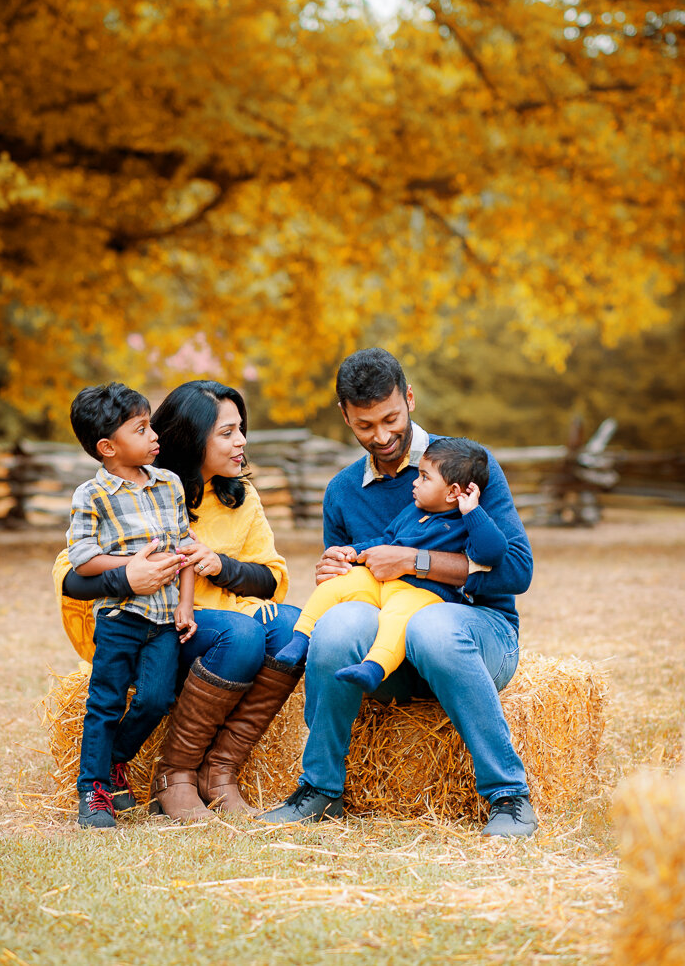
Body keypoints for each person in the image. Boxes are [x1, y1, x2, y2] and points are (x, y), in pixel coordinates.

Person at [262, 348, 537, 838]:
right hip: (385, 659)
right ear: (345, 416)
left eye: (391, 418)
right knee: (338, 623)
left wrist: (415, 561)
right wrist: (336, 566)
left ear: (409, 399)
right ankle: (320, 789)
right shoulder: (342, 491)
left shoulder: (465, 465)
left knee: (431, 626)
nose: (382, 436)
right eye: (365, 425)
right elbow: (357, 586)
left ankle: (508, 795)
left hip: (473, 638)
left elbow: (515, 569)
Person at [53, 380, 302, 822]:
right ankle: (174, 773)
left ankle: (219, 770)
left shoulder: (234, 496)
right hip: (147, 622)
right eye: (226, 433)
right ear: (191, 437)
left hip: (195, 621)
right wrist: (128, 574)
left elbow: (271, 578)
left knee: (294, 628)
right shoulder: (134, 488)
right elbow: (71, 575)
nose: (241, 441)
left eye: (240, 429)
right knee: (241, 635)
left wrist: (218, 564)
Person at [275, 438, 509, 692]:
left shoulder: (465, 525)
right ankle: (301, 639)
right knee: (341, 583)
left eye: (424, 477)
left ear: (452, 492)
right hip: (384, 583)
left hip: (423, 595)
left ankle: (374, 667)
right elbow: (386, 540)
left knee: (395, 617)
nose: (415, 482)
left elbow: (492, 553)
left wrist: (473, 512)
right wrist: (354, 551)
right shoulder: (412, 511)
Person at [66, 382, 196, 830]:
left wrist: (187, 605)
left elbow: (185, 549)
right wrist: (130, 568)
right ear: (107, 447)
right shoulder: (92, 496)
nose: (154, 435)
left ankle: (116, 760)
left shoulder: (169, 484)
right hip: (120, 618)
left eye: (150, 425)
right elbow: (82, 559)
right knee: (104, 702)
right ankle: (92, 790)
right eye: (141, 429)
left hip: (163, 620)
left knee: (158, 698)